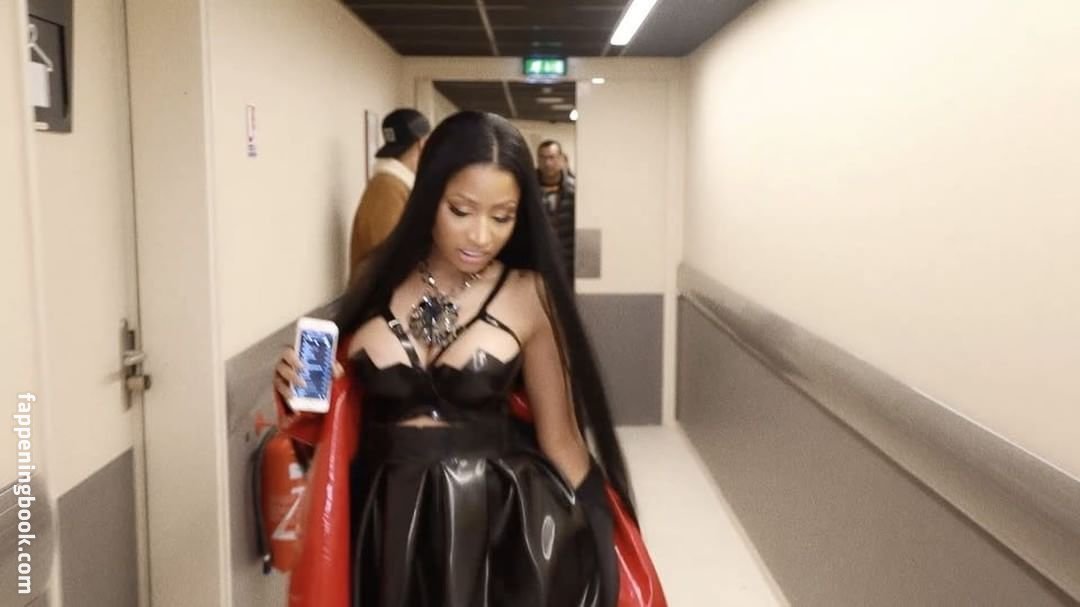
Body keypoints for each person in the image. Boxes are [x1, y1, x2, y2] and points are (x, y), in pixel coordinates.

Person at [274, 112, 664, 607]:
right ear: (429, 197)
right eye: (461, 210)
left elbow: (561, 438)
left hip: (494, 525)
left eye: (502, 217)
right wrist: (304, 396)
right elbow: (336, 430)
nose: (481, 236)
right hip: (381, 520)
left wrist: (612, 545)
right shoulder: (377, 277)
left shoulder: (528, 294)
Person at [348, 108, 431, 282]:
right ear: (422, 143)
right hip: (382, 293)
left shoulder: (392, 184)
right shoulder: (388, 188)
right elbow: (392, 259)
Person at [536, 140, 576, 281]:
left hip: (568, 264)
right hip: (536, 264)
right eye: (543, 158)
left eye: (552, 157)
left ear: (560, 158)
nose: (547, 163)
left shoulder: (575, 190)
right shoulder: (528, 189)